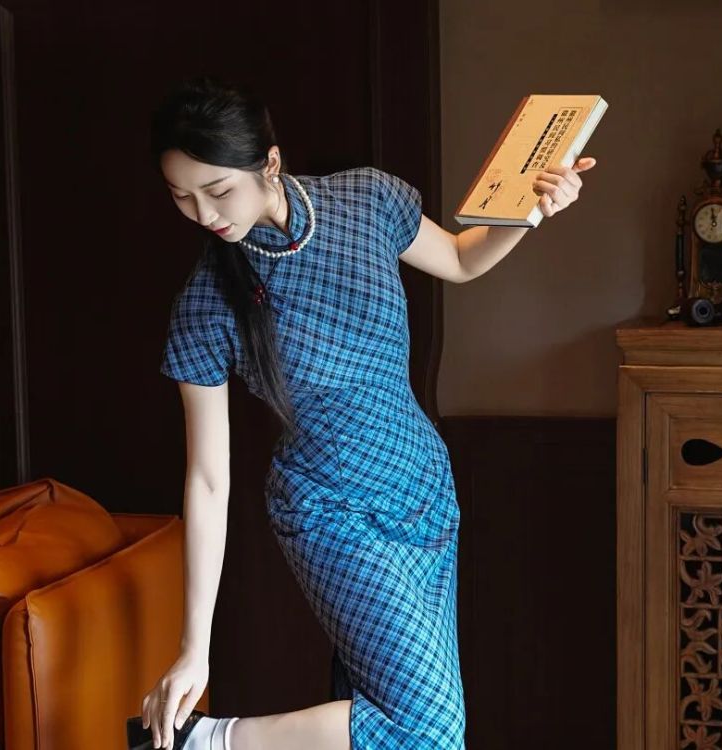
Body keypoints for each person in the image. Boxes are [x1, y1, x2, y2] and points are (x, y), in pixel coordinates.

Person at [141, 74, 596, 750]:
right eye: (182, 196)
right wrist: (194, 648)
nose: (204, 214)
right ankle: (209, 742)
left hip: (425, 493)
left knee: (388, 714)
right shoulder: (207, 302)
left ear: (270, 162)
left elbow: (462, 260)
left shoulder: (368, 199)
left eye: (217, 190)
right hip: (331, 513)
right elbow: (208, 479)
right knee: (429, 728)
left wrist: (531, 209)